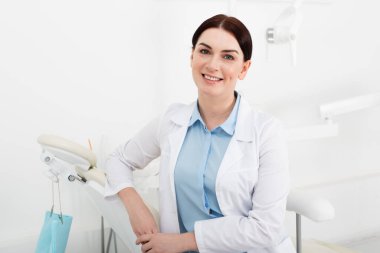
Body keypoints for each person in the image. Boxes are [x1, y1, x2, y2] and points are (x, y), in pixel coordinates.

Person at [105, 14, 295, 253]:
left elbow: (265, 229)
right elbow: (118, 160)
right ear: (192, 56)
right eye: (205, 51)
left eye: (228, 56)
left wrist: (182, 242)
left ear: (244, 68)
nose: (213, 65)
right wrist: (135, 206)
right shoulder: (171, 120)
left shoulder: (267, 131)